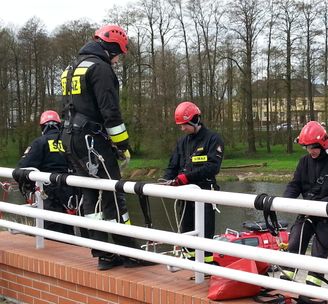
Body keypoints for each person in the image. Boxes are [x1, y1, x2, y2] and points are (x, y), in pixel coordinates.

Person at [60, 25, 151, 271]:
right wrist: (122, 144)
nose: (118, 59)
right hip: (93, 142)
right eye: (118, 54)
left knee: (90, 198)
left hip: (71, 140)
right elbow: (110, 112)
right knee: (114, 193)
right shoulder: (100, 69)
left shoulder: (71, 69)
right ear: (111, 48)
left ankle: (104, 254)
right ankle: (129, 253)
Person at [280, 121, 328, 288]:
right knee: (294, 245)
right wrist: (284, 202)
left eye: (314, 147)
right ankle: (286, 286)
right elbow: (295, 184)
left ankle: (312, 292)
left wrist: (322, 204)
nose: (310, 151)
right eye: (307, 147)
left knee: (318, 255)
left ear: (323, 143)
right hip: (306, 214)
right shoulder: (304, 162)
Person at [163, 101, 225, 262]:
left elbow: (212, 167)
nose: (182, 129)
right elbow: (173, 165)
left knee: (204, 232)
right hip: (185, 195)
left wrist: (186, 178)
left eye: (184, 125)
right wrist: (166, 180)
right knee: (186, 231)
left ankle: (207, 267)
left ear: (195, 120)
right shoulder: (182, 142)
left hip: (204, 193)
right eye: (180, 126)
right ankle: (191, 264)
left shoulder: (213, 139)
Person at [16, 110, 75, 235]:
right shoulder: (69, 141)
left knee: (51, 232)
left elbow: (22, 168)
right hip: (72, 193)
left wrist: (28, 184)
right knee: (69, 231)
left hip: (49, 195)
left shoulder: (40, 143)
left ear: (43, 127)